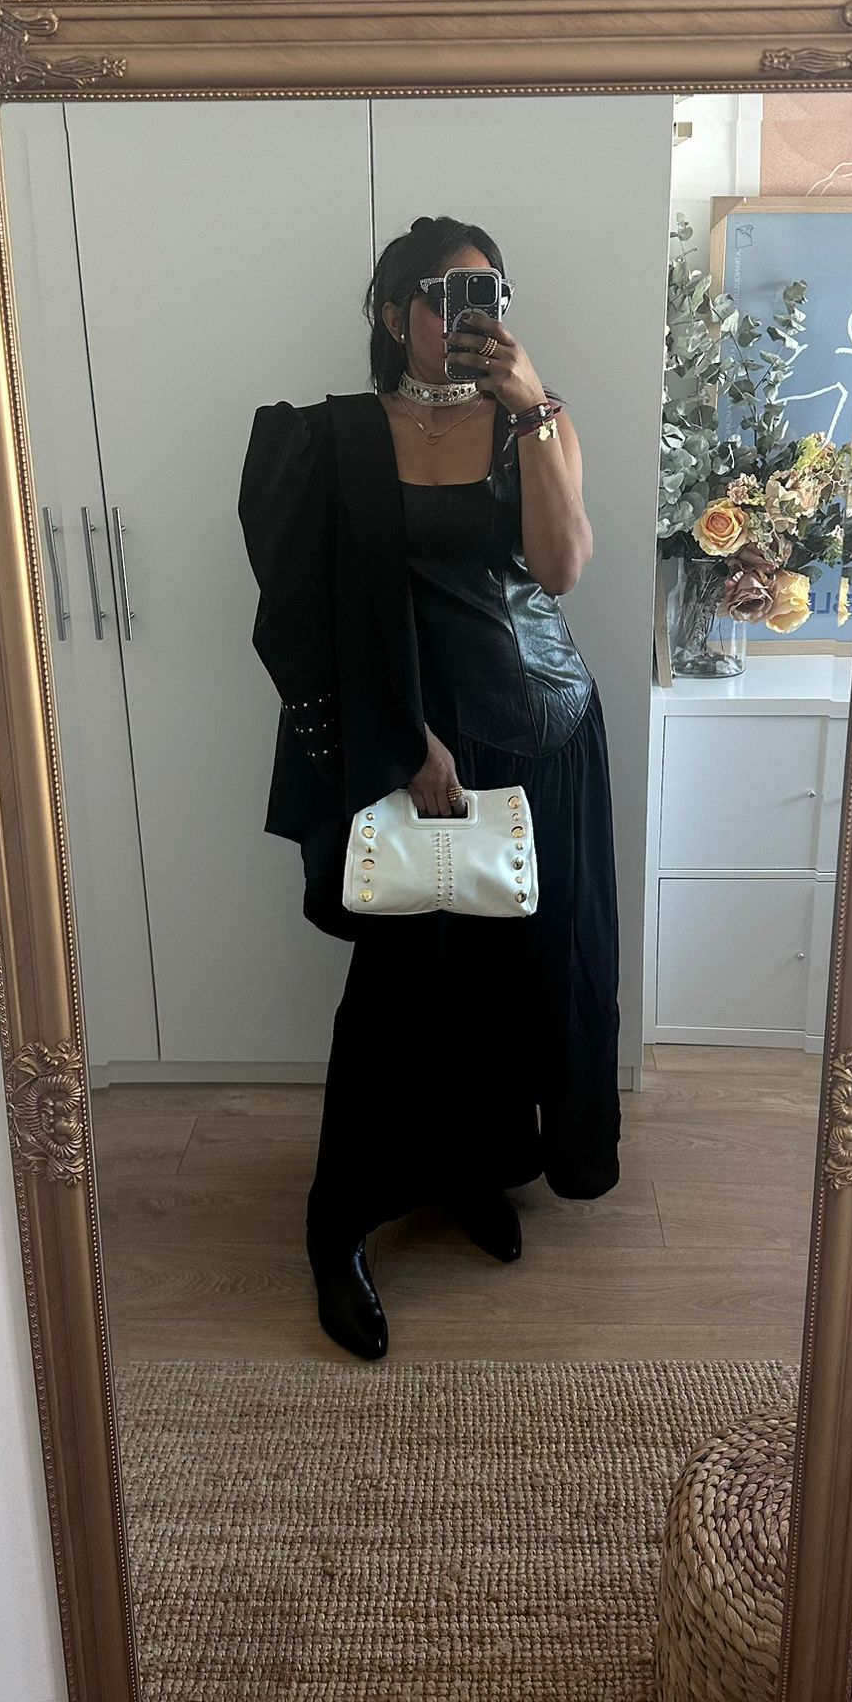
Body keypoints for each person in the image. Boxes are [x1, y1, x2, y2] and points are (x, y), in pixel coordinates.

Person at [238, 214, 621, 1360]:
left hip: (546, 736)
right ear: (393, 310)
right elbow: (309, 619)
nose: (471, 316)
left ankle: (473, 1169)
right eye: (447, 296)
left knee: (518, 978)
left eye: (490, 293)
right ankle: (337, 1223)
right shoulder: (335, 439)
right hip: (415, 756)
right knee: (395, 1000)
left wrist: (533, 407)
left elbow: (561, 569)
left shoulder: (536, 419)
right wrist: (402, 740)